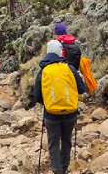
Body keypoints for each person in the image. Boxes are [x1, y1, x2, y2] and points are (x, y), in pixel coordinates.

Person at [34, 40, 86, 174]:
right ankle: (65, 167)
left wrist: (48, 103)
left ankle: (57, 171)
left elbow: (37, 96)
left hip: (51, 114)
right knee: (67, 140)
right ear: (60, 52)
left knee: (53, 143)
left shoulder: (43, 71)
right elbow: (81, 89)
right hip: (70, 113)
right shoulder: (69, 68)